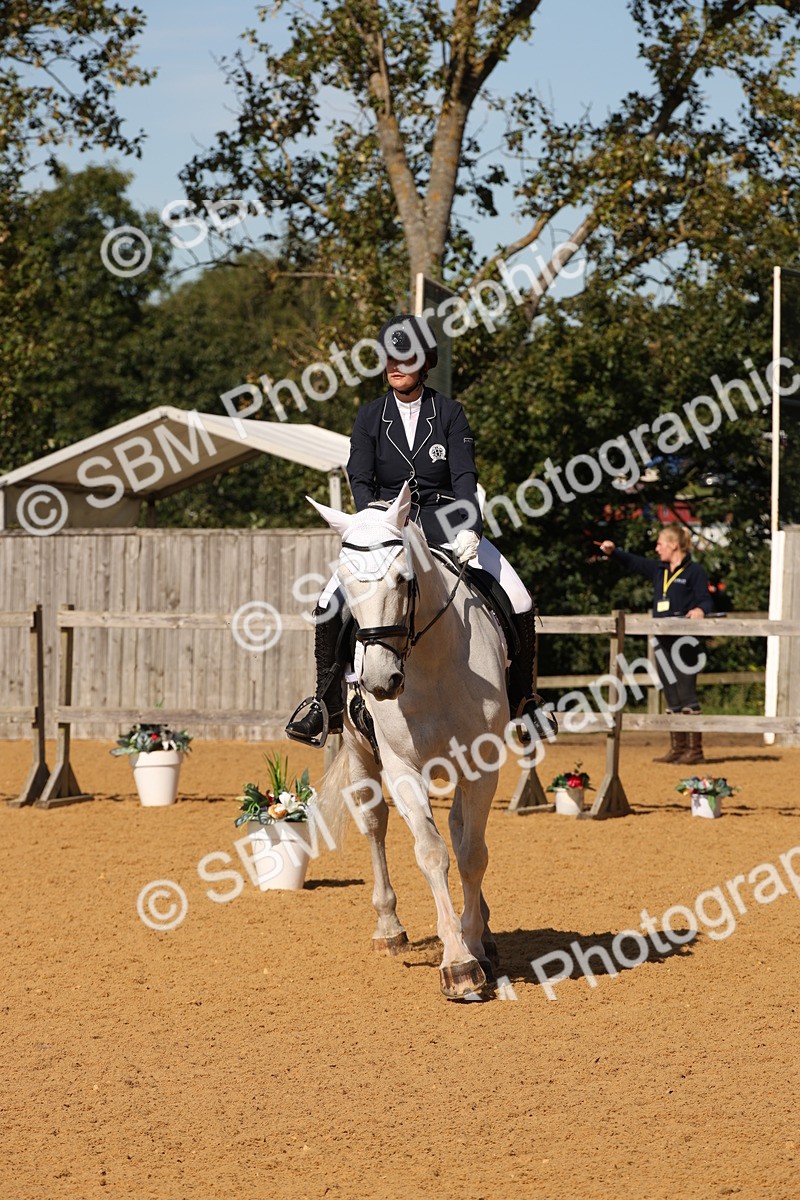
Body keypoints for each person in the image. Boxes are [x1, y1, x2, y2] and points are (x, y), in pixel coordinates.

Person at [285, 313, 543, 747]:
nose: (395, 366)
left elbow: (464, 477)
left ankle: (524, 703)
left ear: (424, 364)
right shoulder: (370, 417)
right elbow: (360, 477)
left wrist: (470, 528)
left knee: (519, 597)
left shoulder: (449, 413)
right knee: (329, 602)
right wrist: (375, 521)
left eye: (405, 359)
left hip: (445, 523)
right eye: (389, 359)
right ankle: (324, 706)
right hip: (386, 526)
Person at [598, 525, 712, 764]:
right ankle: (678, 748)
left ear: (673, 545)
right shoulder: (659, 569)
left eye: (660, 543)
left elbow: (705, 599)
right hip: (663, 640)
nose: (657, 548)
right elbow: (634, 562)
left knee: (687, 694)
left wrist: (700, 610)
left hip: (686, 643)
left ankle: (696, 751)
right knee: (671, 695)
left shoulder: (694, 571)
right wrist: (614, 552)